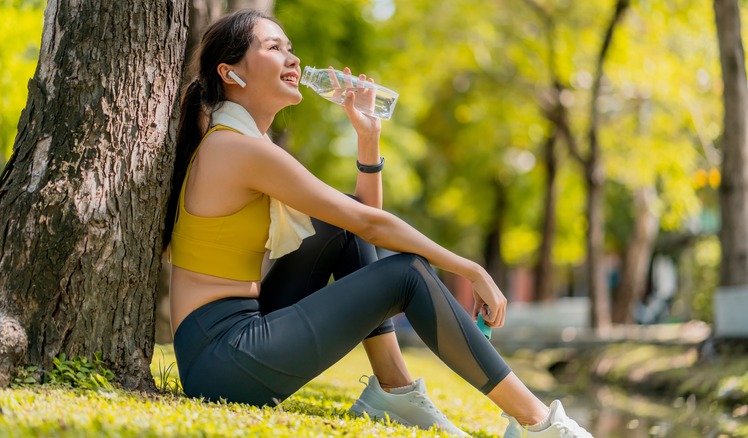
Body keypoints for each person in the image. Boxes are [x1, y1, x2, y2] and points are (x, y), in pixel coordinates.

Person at [163, 9, 593, 438]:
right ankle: (542, 424)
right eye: (274, 48)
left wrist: (368, 140)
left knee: (341, 227)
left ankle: (395, 391)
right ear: (230, 73)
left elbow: (359, 222)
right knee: (405, 275)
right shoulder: (239, 150)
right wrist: (469, 268)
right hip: (222, 360)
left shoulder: (240, 143)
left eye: (290, 48)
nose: (293, 60)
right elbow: (372, 224)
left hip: (233, 337)